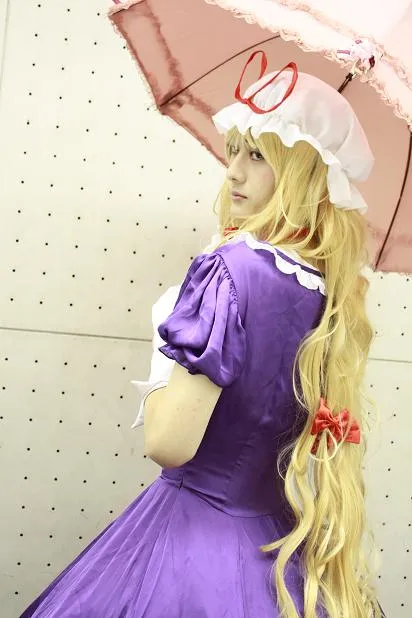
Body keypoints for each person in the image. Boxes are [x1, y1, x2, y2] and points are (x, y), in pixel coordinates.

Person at [19, 52, 388, 618]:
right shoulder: (327, 290)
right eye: (234, 149)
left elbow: (168, 443)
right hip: (273, 545)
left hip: (191, 543)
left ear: (305, 171)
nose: (233, 171)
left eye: (258, 155)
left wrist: (167, 351)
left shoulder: (231, 269)